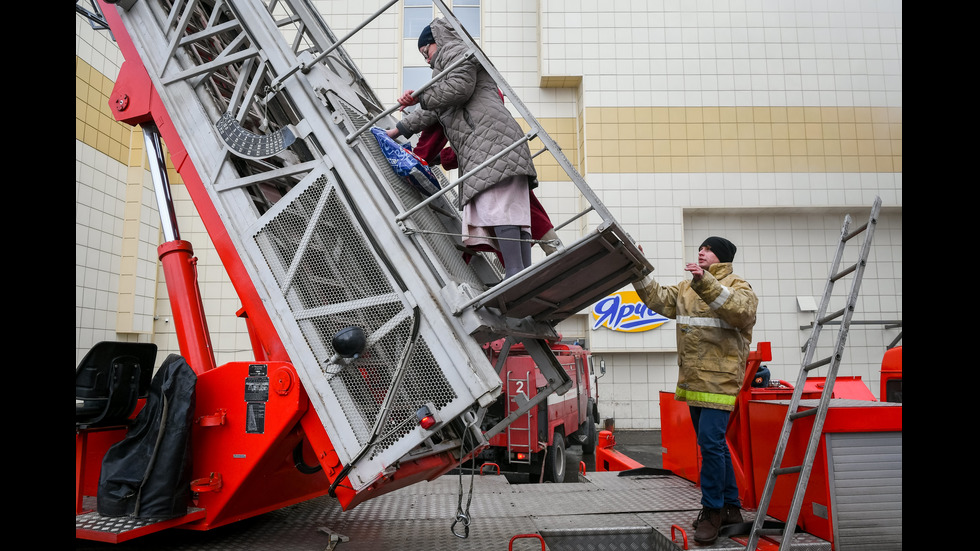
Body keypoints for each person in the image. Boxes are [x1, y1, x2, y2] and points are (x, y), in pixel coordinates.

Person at [386, 19, 538, 278]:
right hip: (491, 141)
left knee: (500, 208)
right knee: (511, 210)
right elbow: (433, 109)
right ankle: (521, 271)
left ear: (437, 41)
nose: (426, 60)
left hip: (488, 142)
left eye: (426, 52)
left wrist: (420, 96)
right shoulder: (454, 60)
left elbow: (457, 89)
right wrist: (399, 130)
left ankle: (515, 272)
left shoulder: (453, 51)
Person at [632, 236, 758, 545]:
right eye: (700, 248)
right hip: (693, 380)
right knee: (715, 444)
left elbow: (740, 312)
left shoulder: (740, 286)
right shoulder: (687, 288)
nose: (701, 252)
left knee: (710, 444)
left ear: (723, 256)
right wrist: (639, 269)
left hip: (720, 381)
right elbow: (658, 298)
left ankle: (712, 510)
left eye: (708, 249)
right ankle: (730, 508)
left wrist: (706, 282)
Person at [412, 121, 563, 258]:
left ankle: (529, 262)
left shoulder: (460, 99)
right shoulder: (483, 98)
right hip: (500, 154)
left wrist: (427, 154)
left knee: (500, 215)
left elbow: (470, 135)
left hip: (489, 162)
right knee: (518, 211)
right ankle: (548, 249)